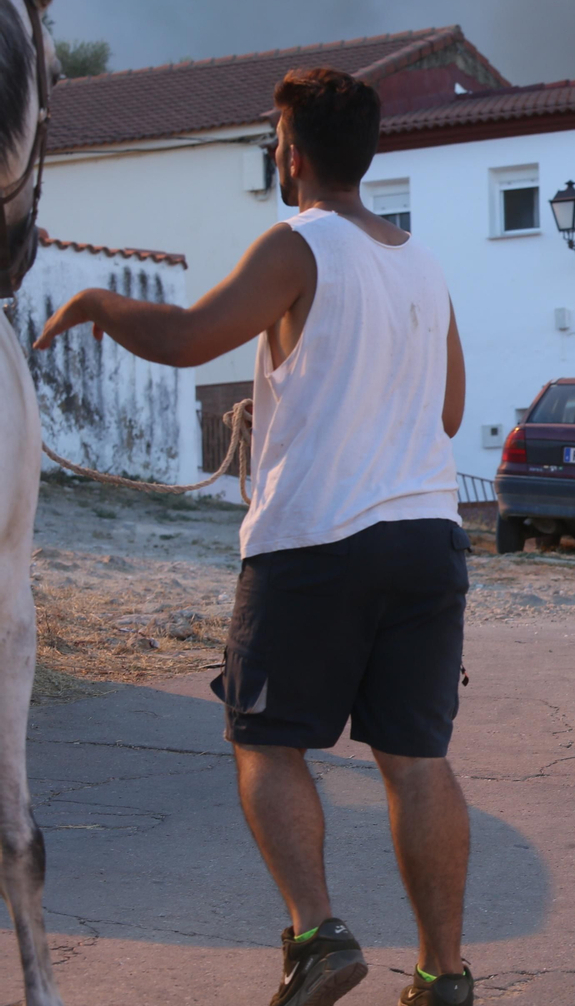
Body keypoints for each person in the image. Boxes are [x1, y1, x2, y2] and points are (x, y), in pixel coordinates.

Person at [36, 69, 474, 1005]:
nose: (275, 151)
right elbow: (448, 408)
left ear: (294, 152)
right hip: (428, 538)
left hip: (316, 538)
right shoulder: (422, 262)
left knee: (267, 743)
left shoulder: (298, 243)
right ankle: (444, 973)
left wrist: (101, 306)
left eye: (275, 136)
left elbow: (194, 335)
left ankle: (317, 936)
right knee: (417, 761)